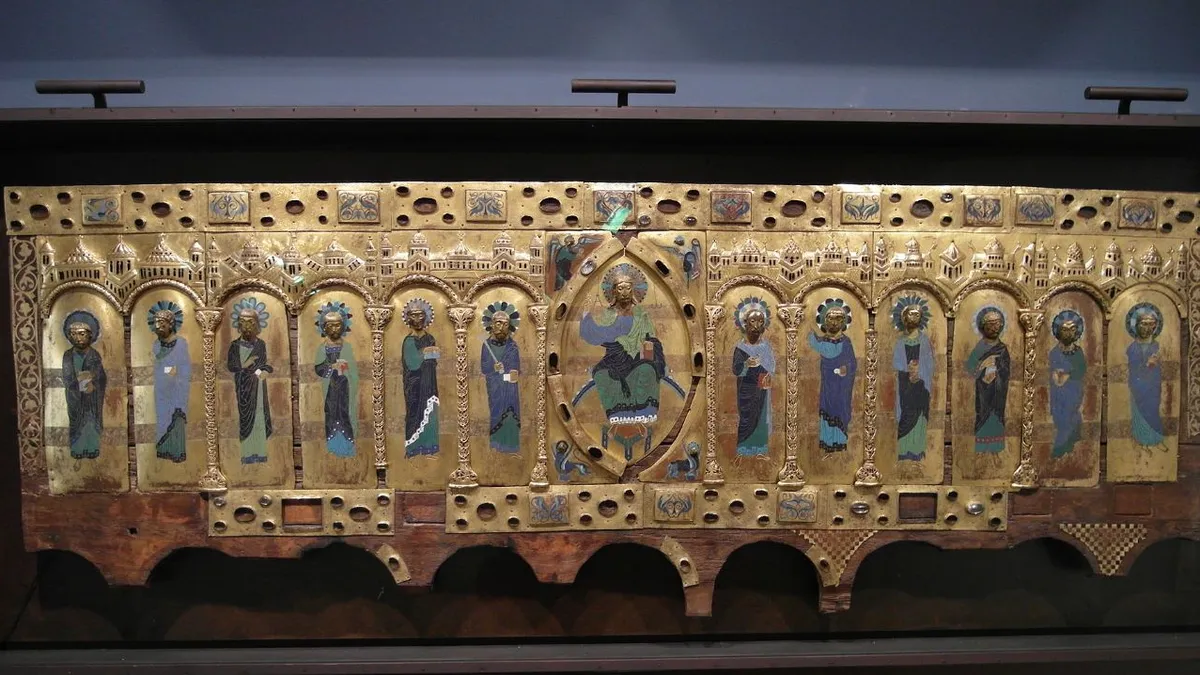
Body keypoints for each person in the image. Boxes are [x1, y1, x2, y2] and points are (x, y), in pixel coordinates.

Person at [579, 263, 665, 427]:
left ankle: (643, 412)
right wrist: (585, 314)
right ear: (613, 292)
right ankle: (618, 413)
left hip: (639, 357)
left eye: (628, 288)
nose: (624, 293)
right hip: (615, 358)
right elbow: (597, 335)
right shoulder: (608, 314)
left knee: (646, 370)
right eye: (620, 289)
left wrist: (648, 350)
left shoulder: (641, 315)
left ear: (633, 291)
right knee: (601, 374)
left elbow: (650, 337)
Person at [226, 297, 274, 464]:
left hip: (258, 389)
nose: (247, 326)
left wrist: (262, 371)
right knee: (245, 420)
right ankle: (247, 454)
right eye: (243, 322)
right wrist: (244, 365)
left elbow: (262, 364)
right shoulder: (234, 345)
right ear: (239, 325)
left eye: (250, 323)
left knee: (259, 418)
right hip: (243, 388)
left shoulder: (260, 344)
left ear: (256, 325)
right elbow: (231, 366)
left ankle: (260, 453)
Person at [808, 299, 857, 453]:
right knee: (827, 411)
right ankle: (827, 444)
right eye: (830, 319)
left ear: (843, 322)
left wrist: (845, 369)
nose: (834, 323)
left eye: (838, 319)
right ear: (824, 320)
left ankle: (839, 443)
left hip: (841, 387)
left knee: (839, 411)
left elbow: (852, 364)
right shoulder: (820, 341)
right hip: (827, 384)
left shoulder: (846, 342)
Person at [732, 297, 775, 457]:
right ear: (745, 324)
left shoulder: (766, 347)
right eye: (752, 321)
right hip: (746, 389)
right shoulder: (740, 348)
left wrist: (768, 375)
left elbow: (771, 366)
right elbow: (736, 369)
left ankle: (760, 449)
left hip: (761, 389)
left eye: (760, 322)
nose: (756, 325)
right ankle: (744, 449)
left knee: (761, 418)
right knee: (746, 418)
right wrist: (746, 364)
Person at [314, 303, 358, 457]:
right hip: (330, 389)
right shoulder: (322, 348)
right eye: (330, 326)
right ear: (324, 328)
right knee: (331, 415)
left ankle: (347, 449)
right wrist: (331, 366)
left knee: (345, 415)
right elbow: (318, 369)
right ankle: (332, 449)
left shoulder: (347, 347)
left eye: (337, 325)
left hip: (345, 389)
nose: (334, 329)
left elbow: (354, 370)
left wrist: (347, 370)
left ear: (343, 326)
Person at [892, 297, 933, 461]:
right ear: (904, 317)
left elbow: (930, 364)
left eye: (917, 314)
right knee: (906, 416)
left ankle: (917, 451)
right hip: (905, 386)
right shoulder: (900, 342)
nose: (914, 317)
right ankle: (904, 451)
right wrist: (907, 370)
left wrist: (919, 372)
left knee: (919, 418)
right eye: (911, 314)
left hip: (921, 388)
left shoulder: (924, 341)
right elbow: (896, 363)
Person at [61, 311, 106, 460]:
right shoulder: (68, 355)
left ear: (90, 336)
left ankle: (92, 448)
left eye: (82, 334)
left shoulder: (94, 355)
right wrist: (77, 383)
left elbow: (101, 376)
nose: (78, 338)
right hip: (75, 397)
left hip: (91, 399)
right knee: (76, 424)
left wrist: (94, 380)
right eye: (74, 334)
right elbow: (67, 376)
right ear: (69, 336)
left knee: (90, 422)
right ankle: (77, 450)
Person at [148, 301, 190, 463]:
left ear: (171, 324)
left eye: (161, 322)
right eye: (156, 323)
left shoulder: (181, 344)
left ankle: (176, 452)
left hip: (177, 391)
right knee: (162, 418)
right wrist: (166, 371)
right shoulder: (156, 345)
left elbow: (183, 368)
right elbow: (157, 369)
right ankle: (164, 451)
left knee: (175, 419)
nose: (158, 326)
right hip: (161, 391)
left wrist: (168, 371)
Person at [965, 307, 1011, 453]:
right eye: (991, 324)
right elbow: (970, 368)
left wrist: (998, 371)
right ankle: (982, 447)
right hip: (983, 392)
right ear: (983, 326)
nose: (995, 327)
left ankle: (996, 447)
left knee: (996, 417)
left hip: (998, 394)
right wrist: (982, 366)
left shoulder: (1002, 348)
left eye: (997, 323)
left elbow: (1006, 371)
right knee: (983, 415)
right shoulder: (980, 347)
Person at [402, 298, 441, 457]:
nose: (417, 319)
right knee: (415, 413)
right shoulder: (408, 341)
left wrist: (429, 354)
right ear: (408, 319)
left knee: (430, 411)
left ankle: (429, 446)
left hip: (429, 382)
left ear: (426, 317)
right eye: (414, 315)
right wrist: (425, 354)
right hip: (415, 384)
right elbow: (412, 363)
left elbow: (434, 358)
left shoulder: (430, 338)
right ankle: (413, 448)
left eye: (420, 315)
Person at [481, 301, 521, 454]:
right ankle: (496, 447)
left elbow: (516, 370)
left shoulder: (512, 347)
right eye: (498, 323)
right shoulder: (486, 346)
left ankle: (511, 448)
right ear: (492, 324)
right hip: (495, 389)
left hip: (510, 390)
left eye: (505, 324)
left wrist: (508, 374)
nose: (501, 327)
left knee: (510, 417)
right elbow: (484, 368)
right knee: (497, 415)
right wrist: (493, 368)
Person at [1125, 303, 1166, 450]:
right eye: (1143, 324)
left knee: (1153, 410)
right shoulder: (1132, 348)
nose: (1146, 328)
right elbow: (1133, 369)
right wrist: (1147, 364)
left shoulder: (1157, 346)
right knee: (1140, 411)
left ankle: (1155, 440)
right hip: (1138, 386)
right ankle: (1142, 441)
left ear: (1155, 327)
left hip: (1153, 386)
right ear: (1136, 326)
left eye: (1150, 324)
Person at [1048, 311, 1086, 458]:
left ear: (1076, 332)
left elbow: (1081, 370)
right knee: (1061, 421)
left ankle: (1063, 449)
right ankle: (1061, 450)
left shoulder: (1078, 352)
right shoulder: (1054, 352)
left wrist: (1068, 373)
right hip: (1058, 395)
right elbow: (1053, 373)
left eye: (1072, 329)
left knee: (1071, 419)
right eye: (1065, 330)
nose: (1068, 333)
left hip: (1074, 393)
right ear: (1059, 332)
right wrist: (1058, 376)